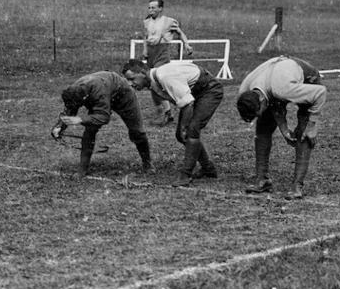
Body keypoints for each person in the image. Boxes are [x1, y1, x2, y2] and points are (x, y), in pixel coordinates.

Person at [236, 55, 327, 199]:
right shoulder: (245, 91)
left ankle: (297, 187)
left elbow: (320, 93)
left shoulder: (283, 89)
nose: (257, 116)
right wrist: (284, 129)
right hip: (275, 78)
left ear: (260, 100)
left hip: (306, 77)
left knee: (303, 133)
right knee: (262, 129)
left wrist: (312, 124)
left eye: (258, 112)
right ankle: (262, 179)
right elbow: (273, 102)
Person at [122, 58, 223, 187]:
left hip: (209, 90)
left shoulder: (165, 77)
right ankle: (208, 168)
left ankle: (185, 176)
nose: (131, 84)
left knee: (191, 130)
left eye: (132, 79)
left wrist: (183, 126)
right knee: (181, 135)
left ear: (143, 73)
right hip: (195, 93)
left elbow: (188, 103)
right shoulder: (154, 81)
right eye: (128, 80)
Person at [50, 71, 155, 179]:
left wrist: (80, 119)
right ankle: (82, 169)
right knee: (90, 129)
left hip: (123, 96)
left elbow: (104, 117)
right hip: (99, 95)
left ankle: (147, 164)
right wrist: (59, 127)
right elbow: (70, 109)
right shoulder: (74, 91)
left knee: (137, 131)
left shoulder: (98, 91)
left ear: (85, 98)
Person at [142, 0, 193, 126]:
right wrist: (144, 50)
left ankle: (170, 111)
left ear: (160, 8)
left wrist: (186, 44)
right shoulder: (147, 21)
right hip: (151, 55)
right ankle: (165, 113)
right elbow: (145, 37)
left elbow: (180, 33)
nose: (151, 10)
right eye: (149, 8)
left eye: (153, 8)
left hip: (162, 54)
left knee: (157, 82)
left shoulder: (169, 22)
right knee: (151, 85)